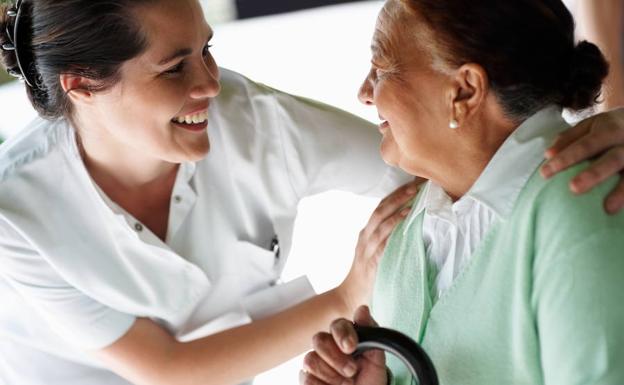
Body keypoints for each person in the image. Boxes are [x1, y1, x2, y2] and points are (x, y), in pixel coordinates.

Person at [0, 1, 622, 385]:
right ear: (82, 85)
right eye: (174, 67)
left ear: (463, 90)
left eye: (207, 50)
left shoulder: (563, 209)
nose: (212, 84)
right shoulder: (18, 210)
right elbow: (167, 369)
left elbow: (459, 157)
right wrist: (349, 296)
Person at [302, 1, 624, 385]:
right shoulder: (403, 228)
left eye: (382, 69)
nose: (364, 93)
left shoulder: (582, 203)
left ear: (464, 91)